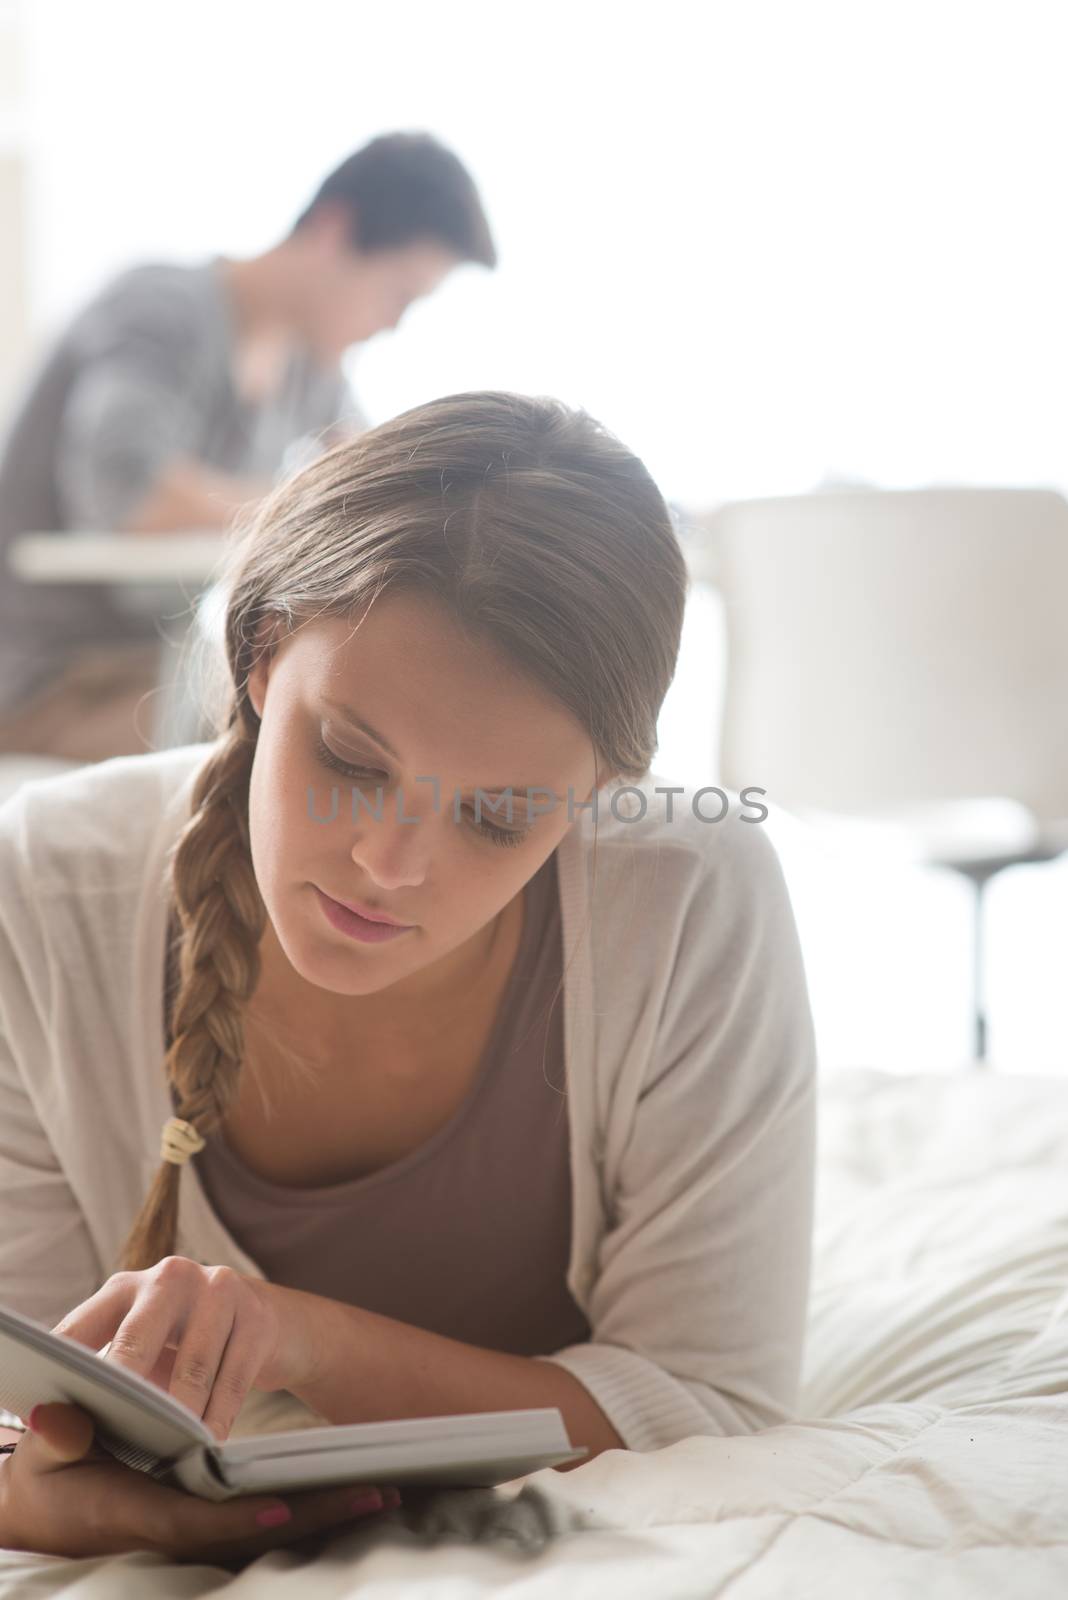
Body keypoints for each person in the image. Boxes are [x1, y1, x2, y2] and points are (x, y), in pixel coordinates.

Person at [0, 390, 818, 1564]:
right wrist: (37, 1503)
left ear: (595, 800)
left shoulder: (688, 894)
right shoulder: (44, 888)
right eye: (347, 758)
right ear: (261, 653)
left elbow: (716, 1410)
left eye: (498, 816)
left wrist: (307, 1345)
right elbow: (18, 1413)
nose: (388, 865)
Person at [0, 132, 496, 767]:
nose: (392, 323)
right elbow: (126, 495)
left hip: (154, 669)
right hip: (51, 681)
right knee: (286, 755)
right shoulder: (164, 309)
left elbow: (381, 482)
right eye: (396, 294)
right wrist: (307, 503)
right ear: (332, 229)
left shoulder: (311, 369)